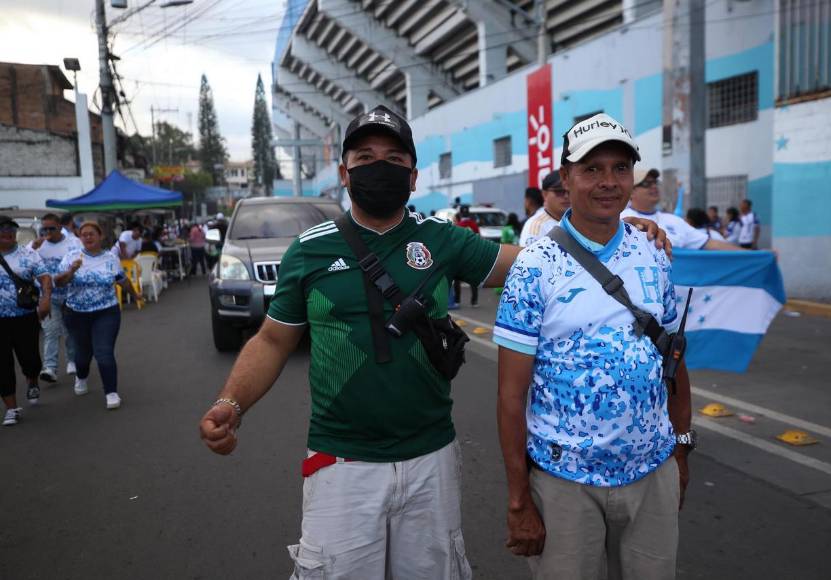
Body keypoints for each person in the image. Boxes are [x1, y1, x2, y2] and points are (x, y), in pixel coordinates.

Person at [198, 105, 670, 580]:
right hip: (340, 462)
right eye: (365, 158)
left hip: (431, 458)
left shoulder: (441, 240)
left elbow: (542, 263)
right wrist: (231, 403)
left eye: (394, 159)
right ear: (344, 173)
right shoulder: (309, 250)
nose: (379, 167)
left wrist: (623, 232)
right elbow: (274, 340)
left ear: (414, 176)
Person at [495, 114, 694, 580]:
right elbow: (509, 396)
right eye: (592, 169)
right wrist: (519, 499)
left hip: (653, 471)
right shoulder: (534, 266)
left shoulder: (654, 253)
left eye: (620, 168)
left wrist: (681, 448)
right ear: (566, 177)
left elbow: (674, 359)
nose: (608, 182)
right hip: (564, 482)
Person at [55, 222, 140, 410]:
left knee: (104, 351)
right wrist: (71, 271)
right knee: (83, 354)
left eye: (91, 234)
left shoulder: (111, 258)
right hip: (76, 314)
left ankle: (111, 392)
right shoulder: (71, 257)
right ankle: (81, 376)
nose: (87, 237)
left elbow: (122, 280)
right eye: (83, 234)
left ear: (100, 236)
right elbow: (59, 282)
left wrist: (135, 295)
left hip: (106, 312)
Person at [0, 216, 52, 425]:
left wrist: (46, 299)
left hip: (25, 317)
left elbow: (45, 278)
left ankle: (32, 380)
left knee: (30, 359)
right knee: (1, 365)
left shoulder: (28, 254)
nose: (7, 233)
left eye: (11, 230)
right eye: (2, 230)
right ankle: (11, 408)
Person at [622, 168, 744, 250]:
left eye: (655, 183)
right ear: (631, 191)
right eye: (646, 184)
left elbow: (709, 243)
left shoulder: (674, 221)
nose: (653, 186)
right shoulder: (620, 220)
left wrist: (755, 254)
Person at [30, 213, 82, 382]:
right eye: (44, 228)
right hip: (48, 295)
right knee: (50, 330)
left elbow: (81, 262)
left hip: (70, 294)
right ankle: (50, 367)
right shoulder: (36, 245)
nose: (47, 232)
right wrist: (33, 249)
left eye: (51, 228)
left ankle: (72, 360)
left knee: (70, 329)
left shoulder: (73, 243)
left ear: (60, 227)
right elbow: (24, 263)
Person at [519, 170, 570, 246]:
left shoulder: (580, 220)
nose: (566, 196)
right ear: (545, 194)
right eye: (559, 191)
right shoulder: (536, 228)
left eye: (570, 191)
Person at [454, 205, 481, 308]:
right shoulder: (474, 225)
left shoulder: (458, 225)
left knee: (457, 279)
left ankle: (457, 301)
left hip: (461, 256)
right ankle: (474, 301)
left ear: (460, 214)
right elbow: (479, 240)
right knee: (473, 280)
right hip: (473, 255)